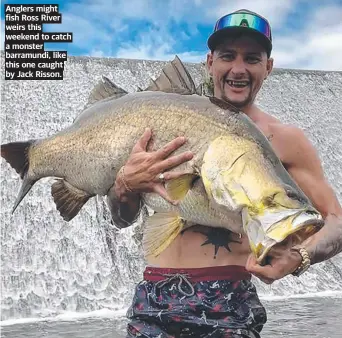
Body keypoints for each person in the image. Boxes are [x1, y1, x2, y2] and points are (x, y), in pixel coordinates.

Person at [110, 9, 342, 338]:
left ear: (268, 67)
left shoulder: (286, 141)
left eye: (251, 58)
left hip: (227, 304)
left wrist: (300, 255)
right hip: (152, 300)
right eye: (227, 56)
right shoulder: (157, 124)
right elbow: (121, 219)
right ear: (209, 63)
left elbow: (335, 220)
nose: (238, 69)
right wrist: (124, 185)